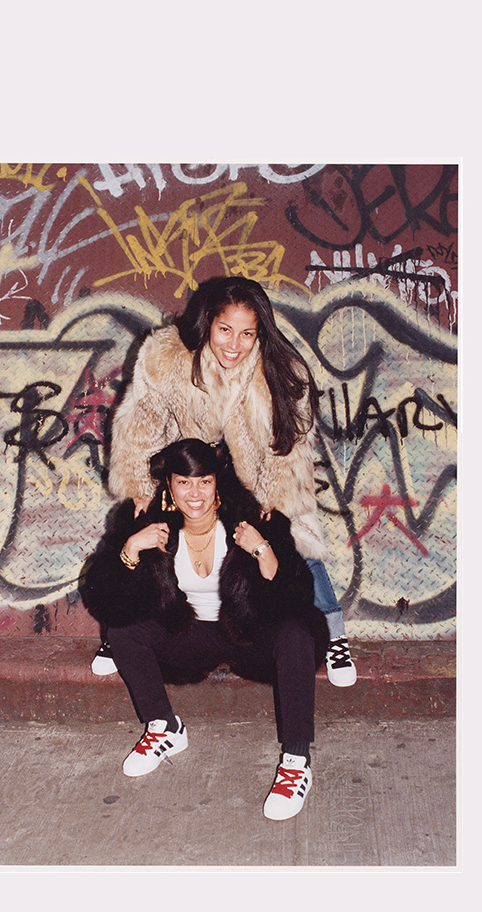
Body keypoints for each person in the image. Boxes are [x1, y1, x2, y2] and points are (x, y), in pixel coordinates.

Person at [92, 275, 356, 688]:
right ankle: (120, 630)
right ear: (207, 323)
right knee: (141, 528)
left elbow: (289, 445)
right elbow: (141, 425)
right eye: (225, 330)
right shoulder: (167, 357)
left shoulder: (280, 369)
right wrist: (143, 488)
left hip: (254, 475)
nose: (234, 344)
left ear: (260, 332)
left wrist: (273, 501)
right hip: (191, 468)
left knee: (297, 539)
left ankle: (334, 633)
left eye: (247, 333)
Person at [80, 439, 328, 821]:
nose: (194, 493)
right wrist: (130, 549)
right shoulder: (148, 525)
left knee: (296, 633)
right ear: (170, 487)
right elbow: (109, 601)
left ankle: (296, 761)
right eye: (183, 483)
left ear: (217, 485)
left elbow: (295, 597)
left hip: (248, 634)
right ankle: (164, 727)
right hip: (189, 636)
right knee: (123, 631)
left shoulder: (253, 522)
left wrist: (262, 549)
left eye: (204, 482)